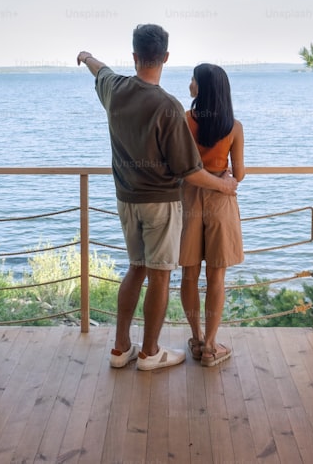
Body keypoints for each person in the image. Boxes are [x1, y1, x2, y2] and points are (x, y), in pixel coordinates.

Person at [77, 25, 237, 371]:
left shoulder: (115, 89)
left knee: (135, 269)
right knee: (160, 275)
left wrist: (86, 56)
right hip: (161, 203)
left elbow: (99, 69)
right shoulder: (168, 107)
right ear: (165, 57)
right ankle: (150, 352)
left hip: (126, 199)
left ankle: (120, 349)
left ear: (134, 56)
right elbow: (189, 171)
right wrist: (223, 186)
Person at [179, 63, 245, 367]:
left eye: (193, 80)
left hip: (189, 197)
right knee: (216, 276)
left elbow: (180, 166)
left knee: (189, 274)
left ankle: (195, 337)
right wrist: (226, 177)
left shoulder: (185, 121)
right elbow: (239, 174)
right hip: (221, 198)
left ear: (202, 88)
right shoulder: (234, 127)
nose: (190, 84)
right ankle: (210, 346)